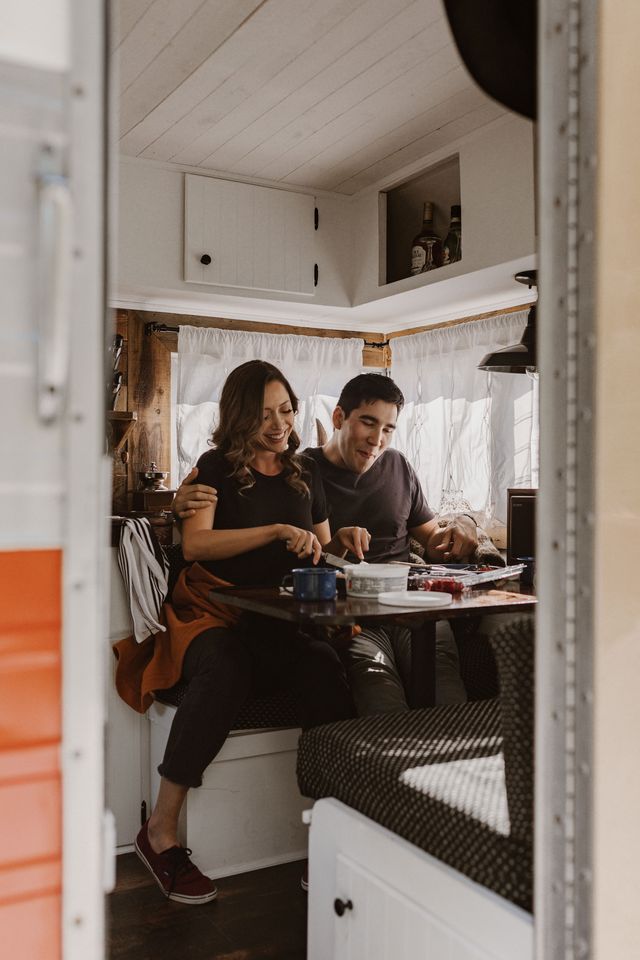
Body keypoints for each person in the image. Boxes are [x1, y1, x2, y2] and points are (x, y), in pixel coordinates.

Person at [114, 361, 354, 904]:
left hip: (278, 618)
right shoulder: (215, 468)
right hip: (211, 614)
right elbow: (196, 546)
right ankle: (160, 832)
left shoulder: (307, 472)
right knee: (225, 667)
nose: (278, 424)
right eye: (263, 413)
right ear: (238, 417)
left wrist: (346, 543)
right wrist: (271, 530)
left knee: (325, 667)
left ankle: (328, 834)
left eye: (286, 410)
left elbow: (324, 547)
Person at [174, 373, 479, 715]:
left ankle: (458, 765)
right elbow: (299, 550)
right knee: (379, 694)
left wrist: (464, 526)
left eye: (388, 429)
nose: (377, 439)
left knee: (445, 686)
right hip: (354, 617)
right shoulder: (300, 472)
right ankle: (395, 768)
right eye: (368, 423)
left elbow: (433, 540)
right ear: (338, 418)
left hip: (413, 607)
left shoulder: (399, 467)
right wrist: (178, 507)